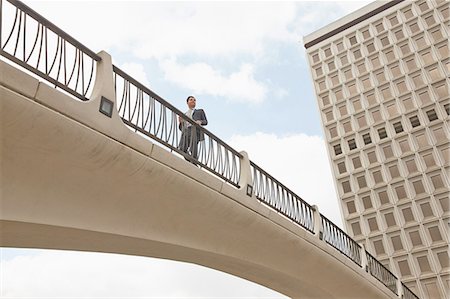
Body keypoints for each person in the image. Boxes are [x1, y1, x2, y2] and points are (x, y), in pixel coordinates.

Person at [178, 95, 208, 161]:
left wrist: (200, 121)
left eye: (194, 100)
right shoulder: (184, 114)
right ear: (187, 102)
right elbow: (181, 128)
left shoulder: (200, 111)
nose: (193, 101)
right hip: (186, 131)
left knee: (193, 148)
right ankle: (190, 161)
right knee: (181, 148)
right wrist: (181, 122)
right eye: (191, 100)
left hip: (194, 130)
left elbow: (205, 122)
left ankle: (194, 161)